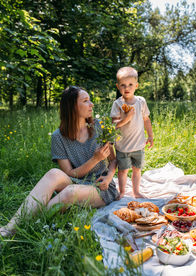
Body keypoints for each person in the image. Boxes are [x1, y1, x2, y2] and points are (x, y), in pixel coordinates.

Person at [0, 86, 119, 237]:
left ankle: (26, 227)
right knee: (53, 174)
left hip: (101, 187)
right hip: (75, 180)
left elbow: (114, 161)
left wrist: (108, 178)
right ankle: (10, 227)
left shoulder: (99, 126)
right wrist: (95, 159)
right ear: (72, 107)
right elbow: (69, 173)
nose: (91, 104)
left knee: (70, 192)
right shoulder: (58, 136)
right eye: (85, 101)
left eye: (90, 100)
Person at [110, 67, 153, 199]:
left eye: (130, 84)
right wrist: (126, 119)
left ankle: (136, 191)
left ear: (136, 86)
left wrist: (150, 135)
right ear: (118, 86)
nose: (126, 88)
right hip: (123, 146)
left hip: (138, 145)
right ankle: (122, 192)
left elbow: (146, 119)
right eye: (123, 85)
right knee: (122, 171)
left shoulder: (141, 102)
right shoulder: (118, 104)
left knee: (137, 170)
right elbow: (114, 125)